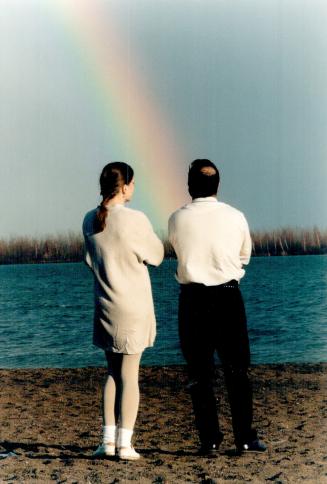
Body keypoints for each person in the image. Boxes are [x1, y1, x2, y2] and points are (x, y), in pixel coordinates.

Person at [168, 159, 266, 455]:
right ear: (218, 185)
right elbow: (244, 257)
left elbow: (178, 249)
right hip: (228, 297)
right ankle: (245, 437)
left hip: (193, 300)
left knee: (199, 374)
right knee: (238, 371)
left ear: (189, 186)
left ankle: (209, 439)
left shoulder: (176, 219)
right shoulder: (236, 216)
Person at [83, 162, 164, 460]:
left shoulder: (89, 220)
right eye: (134, 184)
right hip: (133, 308)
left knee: (112, 373)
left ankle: (106, 441)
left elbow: (89, 260)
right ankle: (125, 444)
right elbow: (157, 255)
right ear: (125, 186)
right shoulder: (135, 218)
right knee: (131, 375)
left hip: (105, 306)